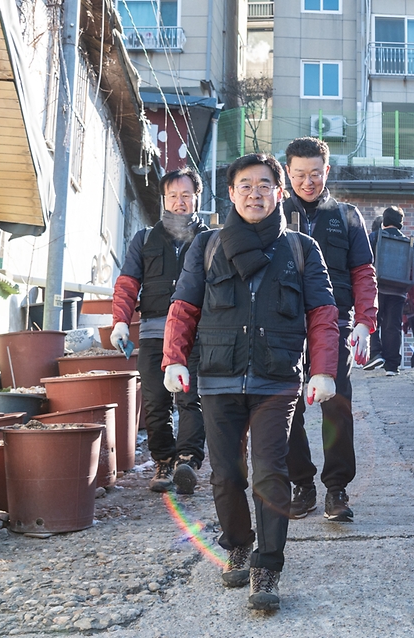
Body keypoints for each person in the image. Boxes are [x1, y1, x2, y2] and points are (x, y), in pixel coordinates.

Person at [161, 153, 339, 610]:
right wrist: (173, 360)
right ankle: (238, 543)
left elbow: (322, 315)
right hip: (218, 379)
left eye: (264, 185)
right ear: (232, 193)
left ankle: (267, 566)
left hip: (276, 380)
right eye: (245, 185)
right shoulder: (207, 246)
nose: (255, 193)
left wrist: (322, 369)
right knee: (225, 476)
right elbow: (183, 308)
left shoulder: (300, 248)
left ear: (279, 193)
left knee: (270, 474)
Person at [282, 137, 378, 522]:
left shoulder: (348, 216)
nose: (308, 182)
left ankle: (336, 489)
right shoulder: (274, 213)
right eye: (300, 175)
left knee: (337, 408)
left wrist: (365, 322)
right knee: (286, 408)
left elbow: (363, 274)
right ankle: (301, 485)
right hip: (285, 327)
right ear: (288, 173)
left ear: (328, 171)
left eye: (316, 174)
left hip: (335, 325)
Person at [111, 167, 208, 494]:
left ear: (197, 198)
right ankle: (164, 461)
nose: (179, 203)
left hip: (196, 335)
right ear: (163, 200)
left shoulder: (209, 240)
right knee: (154, 401)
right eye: (173, 196)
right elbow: (127, 284)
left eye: (186, 196)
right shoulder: (144, 239)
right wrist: (121, 321)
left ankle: (187, 461)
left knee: (190, 398)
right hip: (153, 332)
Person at [367, 206, 414, 376]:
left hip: (376, 289)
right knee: (393, 326)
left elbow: (363, 262)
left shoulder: (373, 237)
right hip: (398, 292)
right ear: (400, 223)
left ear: (384, 221)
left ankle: (375, 353)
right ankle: (392, 366)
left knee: (372, 321)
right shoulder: (409, 243)